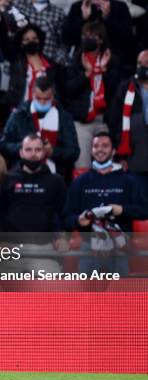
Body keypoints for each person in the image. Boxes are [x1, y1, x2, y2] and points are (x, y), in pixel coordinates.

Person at [64, 132, 148, 275]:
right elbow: (66, 217)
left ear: (113, 151)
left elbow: (144, 211)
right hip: (88, 246)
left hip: (120, 247)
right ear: (91, 150)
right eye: (96, 146)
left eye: (105, 146)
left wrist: (121, 210)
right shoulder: (80, 182)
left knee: (119, 296)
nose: (100, 149)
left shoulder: (129, 180)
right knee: (86, 296)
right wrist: (79, 220)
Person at [0, 134, 68, 273]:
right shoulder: (8, 179)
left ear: (44, 153)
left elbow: (62, 213)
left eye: (37, 150)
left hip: (44, 248)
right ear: (21, 153)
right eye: (28, 150)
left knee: (54, 289)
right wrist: (0, 240)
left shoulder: (56, 181)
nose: (33, 154)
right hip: (11, 248)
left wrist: (62, 237)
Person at [60, 22, 121, 173]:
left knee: (107, 167)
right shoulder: (75, 60)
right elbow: (67, 89)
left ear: (100, 40)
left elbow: (117, 90)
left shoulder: (112, 60)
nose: (88, 39)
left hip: (104, 120)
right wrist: (87, 73)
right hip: (82, 121)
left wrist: (104, 70)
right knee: (82, 167)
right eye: (85, 36)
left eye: (92, 36)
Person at [0, 76, 80, 177]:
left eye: (46, 99)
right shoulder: (18, 115)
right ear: (32, 95)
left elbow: (74, 152)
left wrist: (53, 152)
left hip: (55, 175)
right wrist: (26, 147)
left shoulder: (64, 118)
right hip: (22, 174)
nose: (42, 102)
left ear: (53, 96)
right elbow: (3, 146)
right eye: (38, 98)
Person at [109, 50, 148, 195]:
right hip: (134, 157)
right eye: (139, 64)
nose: (143, 67)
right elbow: (115, 122)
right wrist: (121, 156)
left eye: (147, 64)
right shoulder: (126, 87)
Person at [1, 24, 59, 111]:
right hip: (21, 112)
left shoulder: (52, 66)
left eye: (34, 38)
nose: (31, 42)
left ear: (40, 40)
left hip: (46, 112)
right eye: (26, 40)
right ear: (21, 43)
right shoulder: (16, 64)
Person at [63, 0, 134, 68]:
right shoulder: (78, 7)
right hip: (82, 61)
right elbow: (68, 40)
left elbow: (127, 40)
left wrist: (107, 18)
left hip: (113, 61)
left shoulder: (120, 7)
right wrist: (83, 19)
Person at [0, 0, 67, 65]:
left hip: (49, 66)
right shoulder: (18, 7)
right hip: (19, 64)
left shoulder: (58, 13)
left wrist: (58, 61)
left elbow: (64, 43)